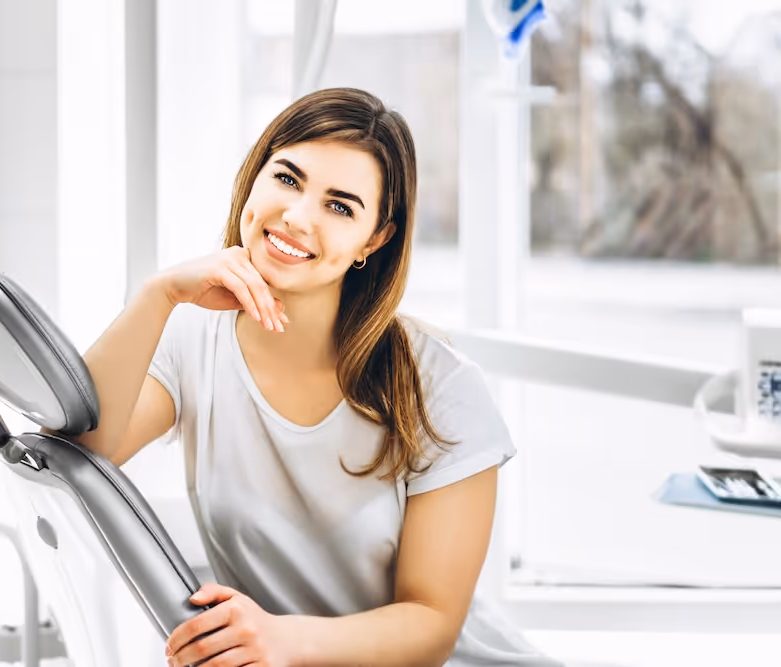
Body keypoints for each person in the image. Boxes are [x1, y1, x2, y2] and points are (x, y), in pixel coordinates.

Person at [75, 88, 562, 666]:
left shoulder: (439, 385)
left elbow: (433, 627)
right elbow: (87, 450)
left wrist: (281, 639)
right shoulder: (188, 340)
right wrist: (158, 294)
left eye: (340, 206)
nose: (298, 217)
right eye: (286, 178)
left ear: (375, 239)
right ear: (254, 179)